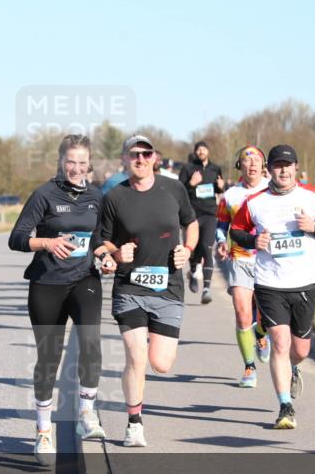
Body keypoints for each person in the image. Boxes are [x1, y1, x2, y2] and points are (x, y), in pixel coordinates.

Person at [9, 134, 117, 466]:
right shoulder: (44, 195)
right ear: (60, 162)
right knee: (49, 358)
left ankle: (86, 411)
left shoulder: (96, 196)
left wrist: (105, 256)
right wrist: (47, 243)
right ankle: (43, 431)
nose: (77, 168)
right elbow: (17, 238)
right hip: (47, 283)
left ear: (89, 164)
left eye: (83, 162)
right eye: (71, 161)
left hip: (84, 278)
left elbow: (97, 238)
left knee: (91, 341)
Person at [230, 145, 315, 429]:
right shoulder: (254, 202)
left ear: (296, 168)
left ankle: (293, 366)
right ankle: (285, 407)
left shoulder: (313, 196)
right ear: (270, 170)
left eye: (288, 165)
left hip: (303, 282)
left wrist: (314, 226)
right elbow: (236, 230)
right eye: (278, 165)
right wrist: (254, 241)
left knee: (300, 350)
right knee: (280, 342)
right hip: (270, 283)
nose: (283, 170)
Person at [101, 134, 198, 447]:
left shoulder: (174, 189)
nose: (140, 159)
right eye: (134, 154)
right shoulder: (115, 197)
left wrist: (188, 249)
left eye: (146, 154)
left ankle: (136, 410)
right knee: (136, 356)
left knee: (161, 363)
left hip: (168, 287)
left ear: (155, 157)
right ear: (125, 159)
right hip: (129, 287)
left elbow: (191, 223)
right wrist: (116, 254)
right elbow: (103, 241)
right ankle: (134, 423)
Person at [215, 145, 271, 388]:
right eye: (247, 161)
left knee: (267, 315)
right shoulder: (230, 196)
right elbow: (221, 225)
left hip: (269, 261)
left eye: (257, 160)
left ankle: (261, 334)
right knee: (242, 312)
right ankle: (249, 367)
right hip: (241, 259)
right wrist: (221, 242)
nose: (253, 164)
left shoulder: (273, 190)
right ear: (240, 166)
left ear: (264, 165)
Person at [178, 141, 225, 303]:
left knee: (207, 247)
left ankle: (206, 289)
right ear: (195, 152)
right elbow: (180, 190)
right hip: (193, 215)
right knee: (195, 248)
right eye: (198, 149)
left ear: (208, 151)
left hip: (210, 213)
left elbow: (217, 189)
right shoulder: (188, 168)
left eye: (204, 149)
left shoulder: (215, 168)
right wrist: (191, 184)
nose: (201, 151)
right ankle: (193, 271)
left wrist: (221, 187)